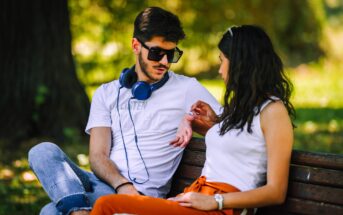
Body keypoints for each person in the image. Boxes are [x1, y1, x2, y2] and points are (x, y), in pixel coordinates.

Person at [28, 7, 221, 215]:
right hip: (104, 184)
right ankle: (79, 211)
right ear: (136, 45)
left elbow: (233, 126)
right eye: (157, 53)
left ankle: (76, 210)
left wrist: (189, 117)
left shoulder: (187, 89)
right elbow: (97, 156)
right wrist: (121, 184)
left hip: (140, 198)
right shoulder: (106, 93)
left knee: (50, 211)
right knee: (42, 151)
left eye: (172, 54)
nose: (165, 62)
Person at [89, 25, 296, 215]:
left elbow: (276, 192)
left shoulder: (273, 112)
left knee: (107, 205)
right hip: (195, 198)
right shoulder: (241, 109)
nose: (220, 70)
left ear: (241, 64)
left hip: (221, 208)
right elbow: (235, 145)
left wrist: (217, 201)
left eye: (222, 61)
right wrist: (188, 120)